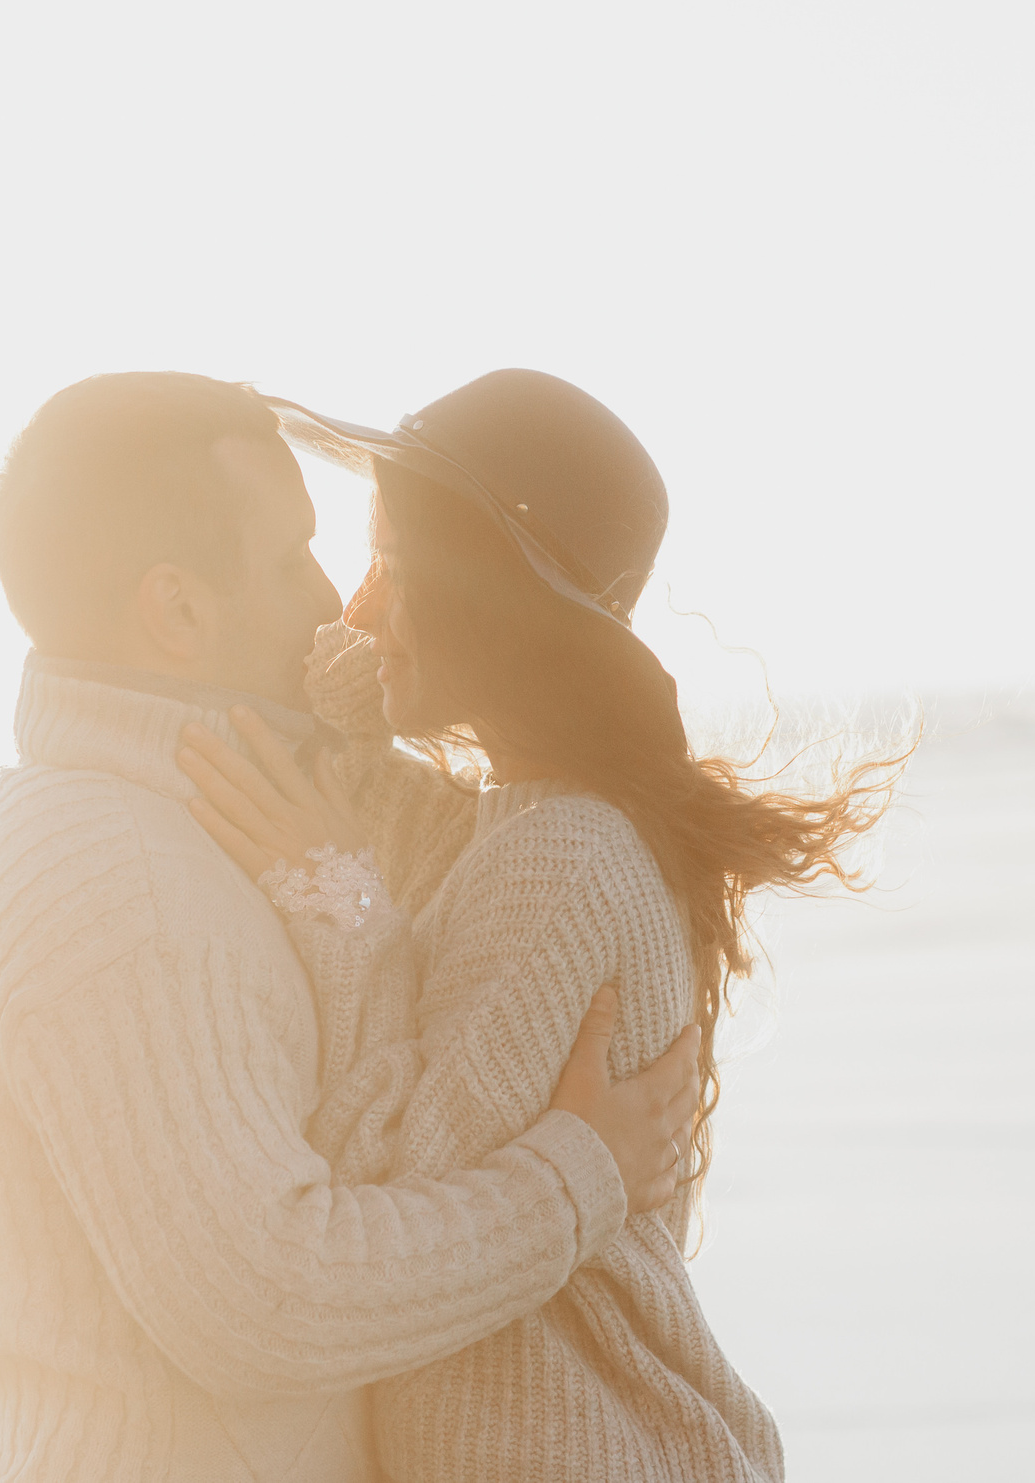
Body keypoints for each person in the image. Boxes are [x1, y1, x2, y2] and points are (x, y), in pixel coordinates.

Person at [0, 371, 702, 1483]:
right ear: (178, 610)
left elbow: (448, 842)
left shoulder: (215, 817)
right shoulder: (121, 886)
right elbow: (269, 1304)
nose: (332, 600)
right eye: (296, 556)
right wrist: (580, 1178)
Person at [174, 369, 902, 1483]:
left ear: (489, 604)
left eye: (397, 572)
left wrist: (336, 901)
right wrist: (385, 675)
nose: (354, 607)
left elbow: (394, 1212)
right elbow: (336, 746)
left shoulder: (555, 861)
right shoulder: (520, 828)